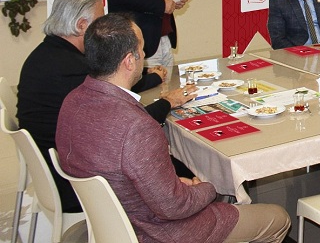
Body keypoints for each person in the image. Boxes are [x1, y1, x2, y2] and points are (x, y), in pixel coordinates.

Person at [56, 14, 292, 243]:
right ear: (129, 61)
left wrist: (177, 188)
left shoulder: (72, 101)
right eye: (141, 50)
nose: (144, 56)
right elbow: (174, 207)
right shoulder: (137, 126)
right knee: (278, 218)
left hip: (110, 223)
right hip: (156, 231)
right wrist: (208, 186)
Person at [17, 0, 197, 213]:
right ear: (81, 25)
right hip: (77, 184)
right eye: (100, 20)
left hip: (61, 164)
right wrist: (168, 102)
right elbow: (127, 128)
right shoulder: (72, 68)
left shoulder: (47, 54)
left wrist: (146, 76)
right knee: (184, 166)